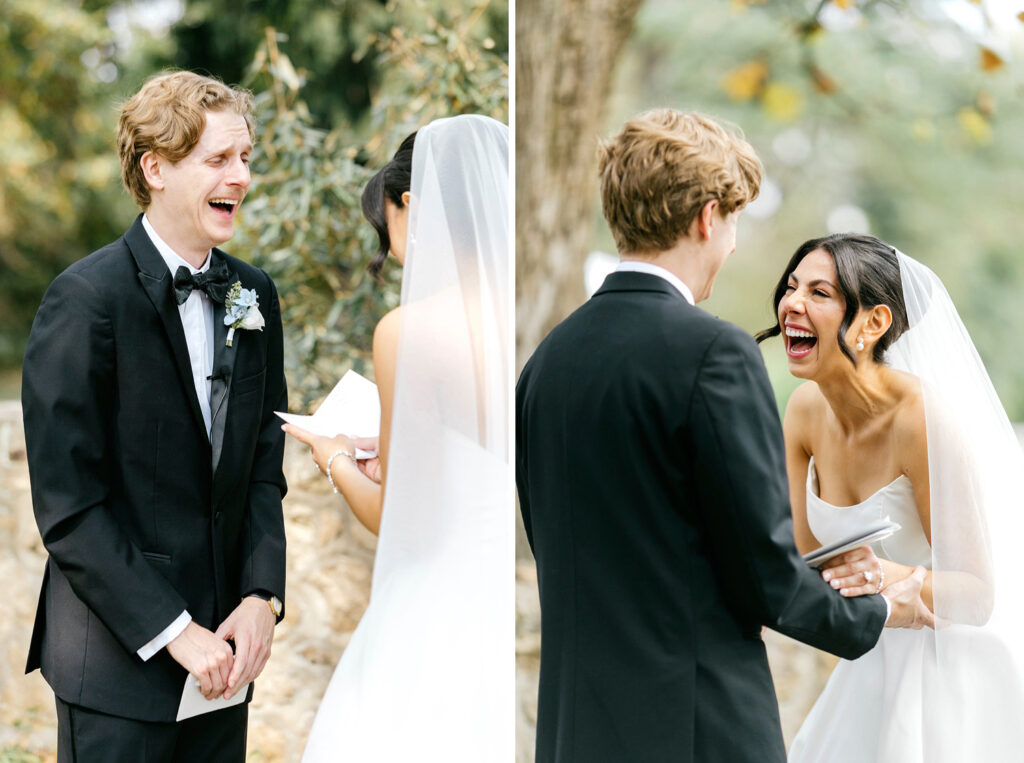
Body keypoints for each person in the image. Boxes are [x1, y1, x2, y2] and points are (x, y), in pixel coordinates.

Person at [515, 108, 933, 763]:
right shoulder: (713, 352)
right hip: (695, 731)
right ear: (709, 217)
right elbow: (764, 576)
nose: (733, 243)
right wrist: (878, 612)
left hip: (574, 734)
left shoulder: (547, 362)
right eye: (734, 221)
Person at [21, 70, 287, 762]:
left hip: (224, 670)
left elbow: (262, 460)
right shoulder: (83, 300)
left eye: (246, 158)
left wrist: (262, 595)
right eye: (220, 159)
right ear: (156, 167)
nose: (241, 177)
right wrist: (175, 630)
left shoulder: (253, 294)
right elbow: (69, 506)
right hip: (117, 668)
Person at [283, 114, 511, 761]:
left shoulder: (409, 330)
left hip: (435, 609)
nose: (387, 244)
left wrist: (332, 455)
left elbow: (398, 515)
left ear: (408, 202)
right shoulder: (523, 319)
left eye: (384, 223)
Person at [757, 233, 1024, 762]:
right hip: (871, 660)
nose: (792, 304)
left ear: (873, 324)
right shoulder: (804, 411)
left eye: (819, 293)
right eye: (791, 288)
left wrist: (891, 577)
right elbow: (803, 562)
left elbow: (976, 594)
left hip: (952, 672)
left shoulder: (922, 418)